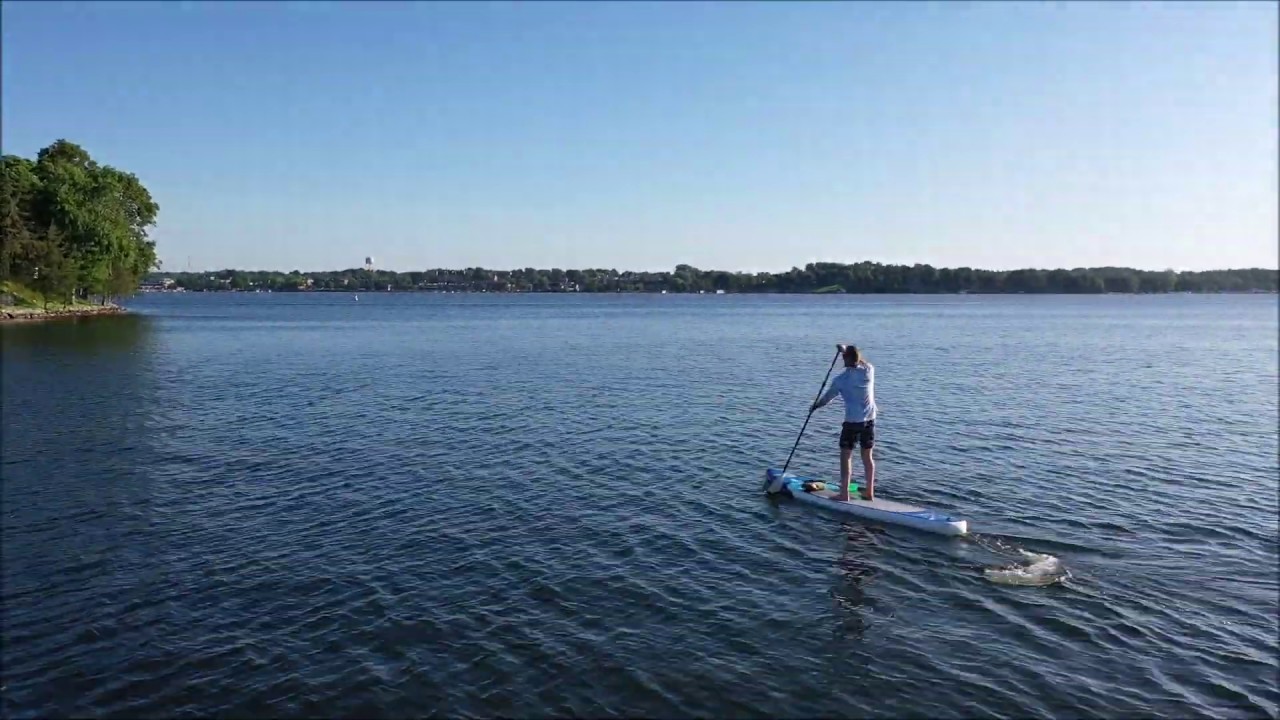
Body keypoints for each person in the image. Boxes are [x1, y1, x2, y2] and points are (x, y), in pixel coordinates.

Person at [810, 344, 877, 502]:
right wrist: (846, 349)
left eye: (843, 357)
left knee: (846, 456)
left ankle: (844, 494)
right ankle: (869, 492)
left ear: (845, 358)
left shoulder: (840, 380)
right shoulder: (868, 370)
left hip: (852, 422)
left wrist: (815, 406)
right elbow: (862, 362)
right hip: (869, 419)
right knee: (867, 456)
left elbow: (827, 399)